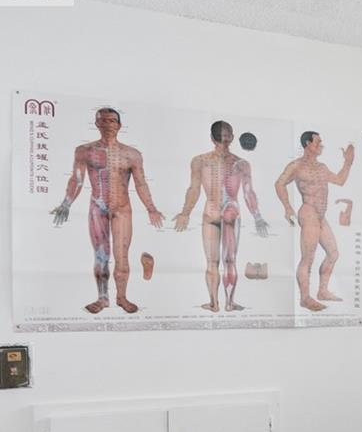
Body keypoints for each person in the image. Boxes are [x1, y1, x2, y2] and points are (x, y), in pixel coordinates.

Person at [50, 107, 164, 314]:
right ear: (96, 124)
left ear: (119, 125)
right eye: (103, 120)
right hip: (97, 207)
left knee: (122, 255)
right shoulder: (84, 151)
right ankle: (102, 298)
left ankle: (121, 297)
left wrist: (151, 208)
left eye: (112, 121)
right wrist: (66, 203)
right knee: (101, 255)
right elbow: (76, 179)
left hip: (122, 208)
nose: (108, 124)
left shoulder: (132, 154)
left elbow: (140, 184)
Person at [173, 120, 268, 312]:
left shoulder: (200, 160)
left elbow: (194, 189)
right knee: (230, 261)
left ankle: (214, 304)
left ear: (211, 138)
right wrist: (257, 217)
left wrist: (185, 213)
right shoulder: (241, 163)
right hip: (231, 211)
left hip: (211, 212)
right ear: (231, 138)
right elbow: (248, 193)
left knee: (212, 262)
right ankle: (229, 303)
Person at [275, 131, 354, 312]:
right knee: (308, 258)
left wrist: (348, 162)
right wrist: (287, 207)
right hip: (308, 212)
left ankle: (322, 291)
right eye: (318, 142)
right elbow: (279, 184)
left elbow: (340, 180)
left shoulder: (322, 167)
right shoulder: (296, 165)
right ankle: (304, 298)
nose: (321, 145)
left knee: (333, 253)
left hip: (321, 215)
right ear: (307, 143)